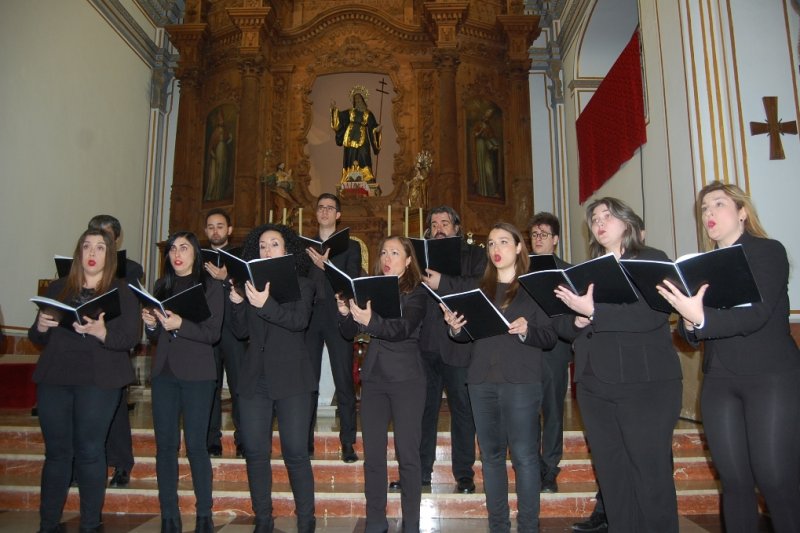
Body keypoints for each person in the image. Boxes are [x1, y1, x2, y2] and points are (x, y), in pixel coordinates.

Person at [657, 181, 800, 533]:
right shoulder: (698, 266)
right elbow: (689, 337)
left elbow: (757, 314)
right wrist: (690, 321)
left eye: (718, 205)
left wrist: (701, 317)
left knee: (775, 479)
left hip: (770, 377)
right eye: (704, 208)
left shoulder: (767, 251)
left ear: (742, 212)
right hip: (720, 380)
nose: (709, 213)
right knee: (734, 483)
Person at [552, 198, 682, 533]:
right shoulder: (588, 270)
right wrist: (579, 320)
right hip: (594, 383)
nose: (599, 222)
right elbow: (565, 325)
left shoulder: (652, 259)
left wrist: (593, 312)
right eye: (594, 218)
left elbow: (652, 314)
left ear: (627, 221)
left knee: (649, 475)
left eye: (607, 215)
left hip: (644, 384)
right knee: (612, 476)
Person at [442, 222, 557, 533]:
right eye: (491, 243)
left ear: (519, 247)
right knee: (491, 458)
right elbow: (467, 335)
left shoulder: (534, 288)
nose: (496, 249)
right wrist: (455, 326)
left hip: (520, 380)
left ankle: (528, 527)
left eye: (503, 242)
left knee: (524, 457)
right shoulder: (479, 290)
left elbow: (549, 337)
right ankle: (499, 527)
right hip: (481, 380)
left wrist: (527, 331)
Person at [29, 228, 139, 532]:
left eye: (100, 248)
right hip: (56, 377)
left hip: (99, 379)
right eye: (87, 247)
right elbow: (36, 337)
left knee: (91, 451)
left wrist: (102, 333)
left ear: (110, 255)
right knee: (57, 453)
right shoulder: (59, 288)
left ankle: (90, 523)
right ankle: (47, 523)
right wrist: (40, 324)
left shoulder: (122, 291)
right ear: (79, 253)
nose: (92, 253)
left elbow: (131, 337)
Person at [229, 223, 318, 533]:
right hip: (256, 378)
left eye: (274, 244)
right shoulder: (249, 284)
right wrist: (238, 304)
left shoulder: (303, 285)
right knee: (255, 450)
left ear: (287, 250)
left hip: (292, 377)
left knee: (295, 452)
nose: (267, 250)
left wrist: (263, 304)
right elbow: (241, 332)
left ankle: (306, 521)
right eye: (263, 246)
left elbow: (297, 321)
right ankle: (263, 520)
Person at [337, 236, 427, 533]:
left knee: (408, 456)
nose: (388, 257)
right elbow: (351, 331)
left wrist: (371, 320)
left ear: (409, 260)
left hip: (406, 380)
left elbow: (403, 329)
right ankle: (376, 520)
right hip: (374, 378)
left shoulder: (417, 291)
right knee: (373, 455)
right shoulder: (370, 287)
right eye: (384, 251)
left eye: (395, 252)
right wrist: (345, 313)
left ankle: (411, 524)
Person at [394, 205, 484, 493]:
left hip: (459, 343)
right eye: (434, 224)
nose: (440, 228)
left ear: (457, 228)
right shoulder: (419, 258)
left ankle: (464, 474)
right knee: (424, 410)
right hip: (425, 344)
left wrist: (442, 283)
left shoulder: (474, 255)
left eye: (446, 222)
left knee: (462, 409)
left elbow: (479, 287)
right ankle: (420, 471)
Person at [143, 232, 223, 533]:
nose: (177, 253)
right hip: (164, 373)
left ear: (196, 254)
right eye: (173, 248)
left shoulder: (210, 287)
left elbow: (212, 333)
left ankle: (205, 513)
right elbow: (155, 336)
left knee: (196, 446)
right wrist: (150, 326)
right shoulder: (161, 286)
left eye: (184, 248)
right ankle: (168, 513)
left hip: (198, 374)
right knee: (164, 446)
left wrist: (181, 325)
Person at [86, 214, 145, 490]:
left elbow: (130, 313)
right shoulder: (79, 268)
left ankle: (122, 462)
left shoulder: (130, 270)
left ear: (117, 239)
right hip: (81, 351)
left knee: (116, 412)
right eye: (94, 234)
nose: (100, 241)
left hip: (112, 345)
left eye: (106, 235)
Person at [304, 193, 362, 462]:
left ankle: (348, 442)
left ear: (338, 215)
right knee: (307, 381)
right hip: (309, 316)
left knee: (344, 380)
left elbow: (352, 282)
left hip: (338, 314)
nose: (325, 211)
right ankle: (305, 441)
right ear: (316, 213)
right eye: (321, 207)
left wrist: (326, 266)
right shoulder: (302, 247)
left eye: (330, 208)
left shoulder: (350, 247)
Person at [527, 212, 572, 494]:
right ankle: (531, 466)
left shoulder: (569, 271)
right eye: (534, 234)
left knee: (553, 410)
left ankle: (550, 469)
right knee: (527, 411)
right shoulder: (519, 270)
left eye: (544, 234)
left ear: (555, 239)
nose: (538, 239)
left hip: (555, 348)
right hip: (525, 348)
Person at [202, 208, 246, 458]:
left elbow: (250, 286)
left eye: (220, 226)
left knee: (239, 386)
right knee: (211, 386)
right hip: (207, 329)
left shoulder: (241, 255)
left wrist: (226, 276)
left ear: (229, 230)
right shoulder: (199, 257)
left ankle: (242, 440)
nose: (215, 231)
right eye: (210, 226)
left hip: (233, 329)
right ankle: (212, 440)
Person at [331, 85, 382, 183]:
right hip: (350, 137)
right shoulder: (350, 112)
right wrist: (334, 109)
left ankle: (366, 176)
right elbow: (339, 118)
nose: (358, 100)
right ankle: (349, 176)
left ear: (363, 100)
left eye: (359, 99)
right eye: (356, 99)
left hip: (363, 138)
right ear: (354, 101)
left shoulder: (368, 113)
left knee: (364, 154)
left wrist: (377, 130)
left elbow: (373, 127)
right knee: (350, 156)